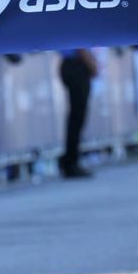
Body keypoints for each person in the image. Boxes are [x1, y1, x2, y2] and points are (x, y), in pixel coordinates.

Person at [58, 48, 97, 179]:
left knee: (76, 118)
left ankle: (70, 160)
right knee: (77, 118)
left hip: (73, 64)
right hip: (76, 65)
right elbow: (80, 46)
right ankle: (70, 162)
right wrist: (91, 64)